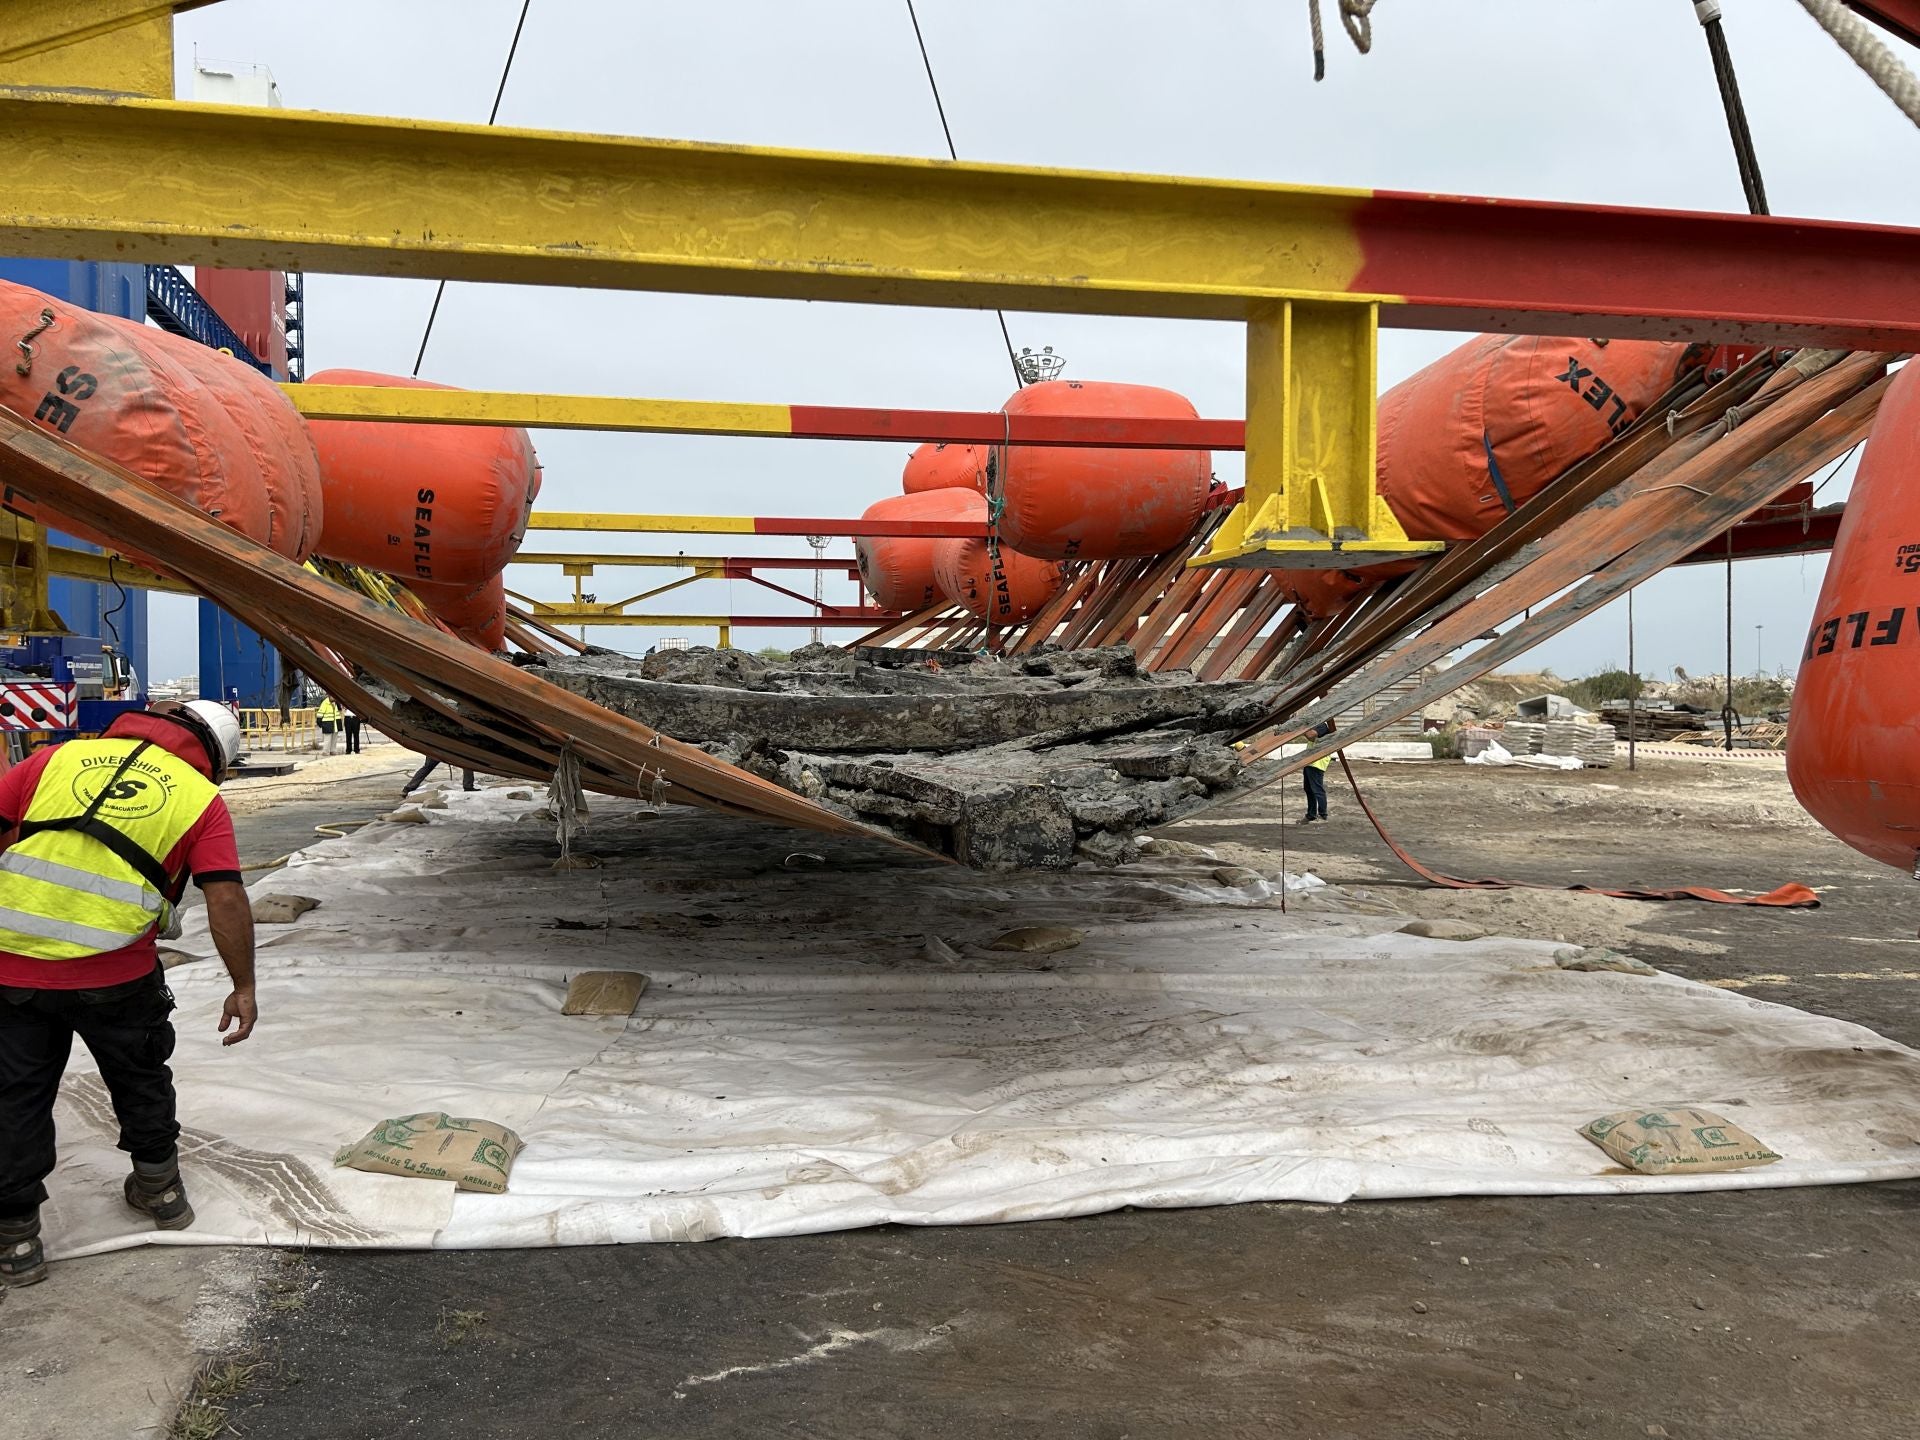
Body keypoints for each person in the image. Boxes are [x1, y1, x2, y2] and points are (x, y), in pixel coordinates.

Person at [0, 700, 257, 1289]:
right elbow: (225, 898)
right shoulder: (198, 799)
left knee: (15, 1096)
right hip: (119, 974)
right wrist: (242, 986)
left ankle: (16, 1238)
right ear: (216, 758)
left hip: (14, 970)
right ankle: (160, 1190)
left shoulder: (52, 760)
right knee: (140, 1075)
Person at [1301, 719, 1336, 824]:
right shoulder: (1316, 726)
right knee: (1309, 789)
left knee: (1317, 790)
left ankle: (1322, 814)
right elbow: (1311, 739)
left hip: (1317, 762)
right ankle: (1311, 815)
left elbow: (1310, 735)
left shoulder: (1322, 726)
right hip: (1310, 761)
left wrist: (1300, 726)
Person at [403, 754, 476, 797]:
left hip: (435, 746)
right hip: (444, 746)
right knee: (467, 764)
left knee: (427, 767)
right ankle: (468, 786)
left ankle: (409, 788)